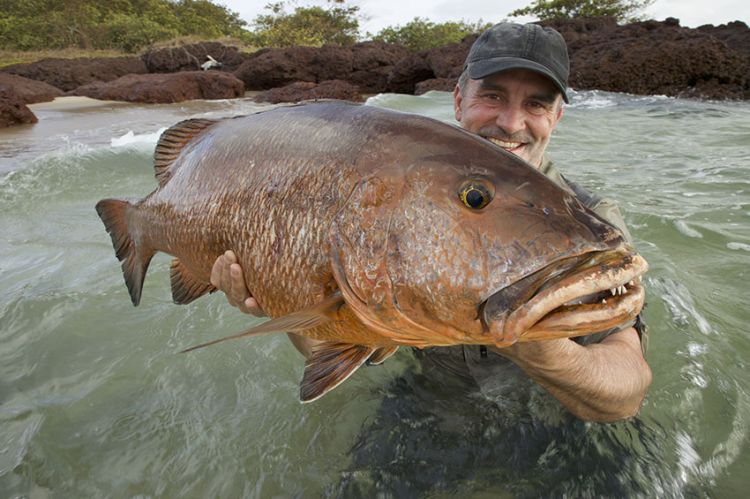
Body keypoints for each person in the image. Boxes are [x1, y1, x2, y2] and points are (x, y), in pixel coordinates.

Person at [209, 22, 652, 422]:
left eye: (536, 104)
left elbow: (625, 395)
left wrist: (536, 343)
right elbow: (330, 342)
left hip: (548, 417)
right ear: (459, 100)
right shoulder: (391, 183)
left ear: (556, 118)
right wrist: (282, 300)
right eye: (493, 96)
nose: (511, 122)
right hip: (426, 405)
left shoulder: (590, 225)